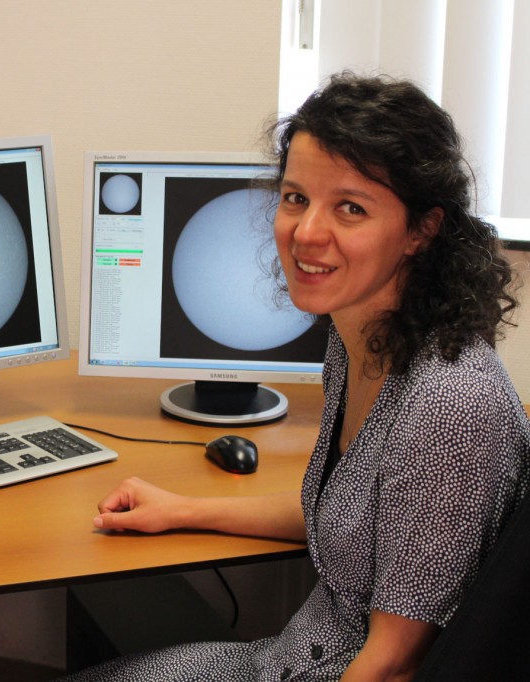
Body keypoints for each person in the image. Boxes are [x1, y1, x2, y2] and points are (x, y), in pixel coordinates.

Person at [63, 72, 530, 681]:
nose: (306, 232)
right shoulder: (360, 339)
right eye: (295, 197)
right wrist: (181, 508)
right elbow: (344, 513)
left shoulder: (447, 408)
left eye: (351, 208)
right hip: (287, 660)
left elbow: (394, 664)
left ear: (422, 230)